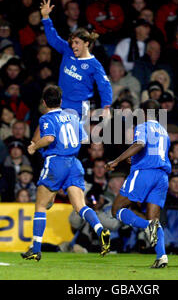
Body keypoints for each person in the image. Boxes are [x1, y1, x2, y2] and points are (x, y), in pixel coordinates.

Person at [21, 85, 111, 262]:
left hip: (57, 162)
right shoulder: (71, 116)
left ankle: (36, 249)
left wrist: (34, 146)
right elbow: (84, 138)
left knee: (40, 205)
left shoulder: (46, 118)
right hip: (74, 163)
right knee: (80, 206)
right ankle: (101, 230)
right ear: (61, 101)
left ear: (45, 102)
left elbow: (49, 138)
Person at [105, 99, 171, 268]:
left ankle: (145, 226)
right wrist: (133, 158)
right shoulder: (164, 131)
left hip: (145, 173)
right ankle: (162, 256)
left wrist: (117, 160)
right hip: (162, 176)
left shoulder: (142, 127)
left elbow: (140, 144)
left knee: (116, 209)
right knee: (154, 219)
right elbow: (153, 152)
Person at [40, 0, 112, 119]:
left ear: (86, 44)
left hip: (79, 111)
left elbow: (105, 86)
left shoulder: (94, 65)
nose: (73, 46)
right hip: (60, 105)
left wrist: (106, 107)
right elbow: (53, 39)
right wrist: (46, 18)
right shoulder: (68, 51)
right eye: (72, 43)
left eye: (77, 43)